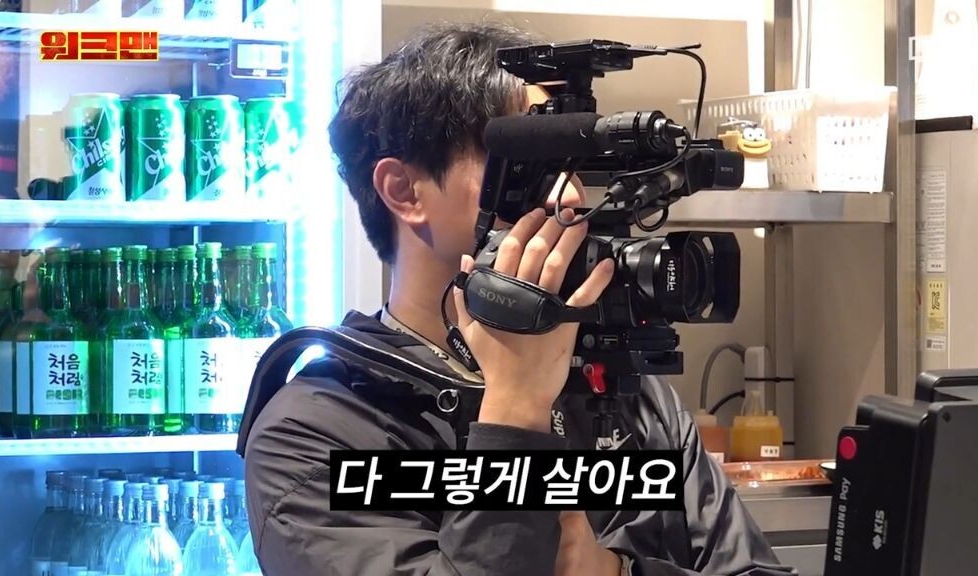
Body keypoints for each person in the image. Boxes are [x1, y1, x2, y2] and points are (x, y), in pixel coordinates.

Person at [241, 21, 797, 576]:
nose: (569, 195)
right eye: (530, 165)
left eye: (572, 166)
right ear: (405, 191)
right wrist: (515, 410)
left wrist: (613, 572)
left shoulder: (624, 391)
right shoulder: (315, 432)